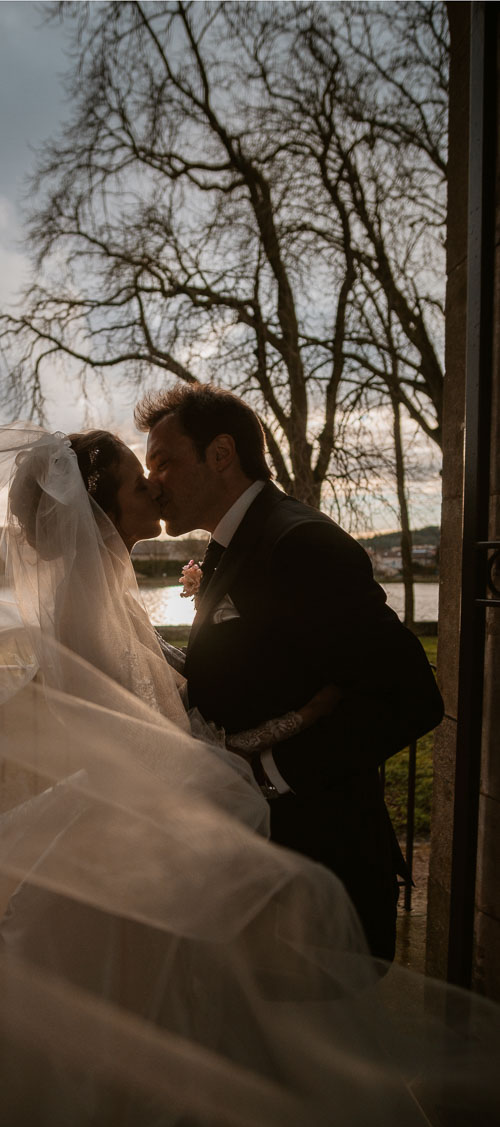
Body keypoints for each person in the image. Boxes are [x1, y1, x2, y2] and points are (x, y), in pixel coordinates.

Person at [0, 424, 498, 1127]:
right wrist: (251, 745)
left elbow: (146, 687)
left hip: (147, 802)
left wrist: (230, 711)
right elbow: (115, 718)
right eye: (143, 484)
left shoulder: (104, 580)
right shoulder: (82, 592)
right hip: (143, 804)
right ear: (100, 506)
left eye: (161, 470)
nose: (156, 488)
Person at [138, 382, 443, 960]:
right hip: (255, 869)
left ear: (221, 454)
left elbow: (410, 697)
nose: (153, 481)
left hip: (318, 866)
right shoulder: (235, 546)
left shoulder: (298, 543)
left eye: (164, 462)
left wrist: (268, 772)